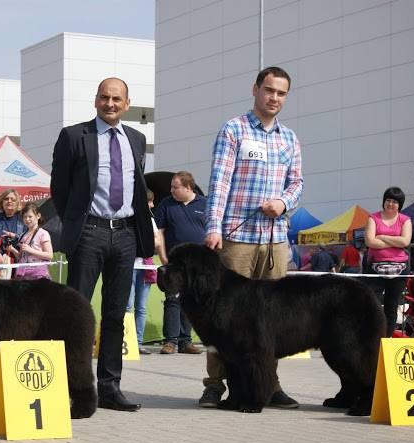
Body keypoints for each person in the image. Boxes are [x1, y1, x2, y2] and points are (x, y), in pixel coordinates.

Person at [201, 66, 303, 409]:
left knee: (269, 322)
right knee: (223, 319)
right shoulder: (234, 130)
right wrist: (213, 228)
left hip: (275, 240)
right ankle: (215, 385)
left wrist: (284, 202)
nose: (274, 98)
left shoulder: (290, 138)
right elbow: (219, 183)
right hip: (237, 238)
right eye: (269, 90)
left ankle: (268, 385)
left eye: (281, 93)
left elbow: (297, 183)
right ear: (255, 89)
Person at [51, 77, 154, 412]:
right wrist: (77, 225)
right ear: (95, 101)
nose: (110, 104)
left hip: (125, 235)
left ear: (127, 104)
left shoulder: (137, 140)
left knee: (115, 314)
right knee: (74, 314)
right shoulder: (73, 136)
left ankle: (110, 388)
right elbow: (59, 189)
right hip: (89, 233)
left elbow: (138, 188)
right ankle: (74, 388)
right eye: (104, 98)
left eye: (116, 99)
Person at [155, 171, 205, 355]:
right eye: (171, 187)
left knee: (191, 301)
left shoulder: (205, 204)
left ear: (188, 187)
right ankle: (170, 342)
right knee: (172, 300)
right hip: (174, 262)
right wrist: (163, 257)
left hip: (197, 263)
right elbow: (159, 232)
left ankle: (186, 341)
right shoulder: (165, 205)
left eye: (175, 187)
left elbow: (212, 231)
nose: (171, 190)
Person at [365, 186, 412, 337]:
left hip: (400, 268)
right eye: (388, 200)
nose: (391, 204)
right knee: (373, 305)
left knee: (392, 306)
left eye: (395, 201)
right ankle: (373, 337)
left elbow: (405, 241)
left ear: (400, 204)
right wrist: (395, 242)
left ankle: (387, 338)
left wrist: (382, 237)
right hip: (374, 267)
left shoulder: (405, 220)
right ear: (384, 201)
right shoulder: (373, 218)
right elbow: (370, 242)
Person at [127, 189, 164, 355]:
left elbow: (157, 240)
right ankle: (125, 342)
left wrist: (144, 243)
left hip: (145, 267)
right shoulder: (128, 217)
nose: (153, 205)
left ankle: (138, 342)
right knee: (127, 306)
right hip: (129, 266)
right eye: (150, 202)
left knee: (141, 307)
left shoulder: (150, 219)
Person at [6, 202, 53, 280]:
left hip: (38, 275)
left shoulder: (43, 233)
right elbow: (21, 256)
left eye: (30, 216)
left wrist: (30, 250)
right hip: (22, 275)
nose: (27, 220)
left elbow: (49, 255)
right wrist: (12, 249)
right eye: (25, 217)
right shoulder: (23, 235)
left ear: (38, 216)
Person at [0, 189, 25, 264]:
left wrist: (14, 249)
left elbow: (27, 240)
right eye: (6, 199)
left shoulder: (23, 219)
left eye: (13, 199)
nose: (9, 201)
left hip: (19, 261)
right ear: (2, 202)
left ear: (17, 203)